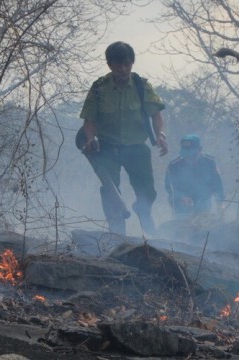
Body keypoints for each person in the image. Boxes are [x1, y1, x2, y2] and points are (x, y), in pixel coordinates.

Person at [79, 41, 168, 235]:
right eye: (119, 65)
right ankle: (117, 231)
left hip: (137, 148)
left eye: (127, 64)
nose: (123, 69)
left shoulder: (142, 86)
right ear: (110, 65)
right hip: (108, 148)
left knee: (148, 191)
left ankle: (143, 211)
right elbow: (89, 119)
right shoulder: (99, 88)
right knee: (111, 190)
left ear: (132, 63)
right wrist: (90, 138)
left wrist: (160, 135)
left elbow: (156, 115)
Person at [165, 135, 224, 218]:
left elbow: (217, 184)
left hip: (203, 201)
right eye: (186, 156)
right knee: (183, 224)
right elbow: (169, 187)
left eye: (192, 155)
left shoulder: (209, 163)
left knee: (203, 223)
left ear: (200, 149)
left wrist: (220, 204)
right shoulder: (174, 165)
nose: (189, 159)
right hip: (181, 204)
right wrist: (181, 197)